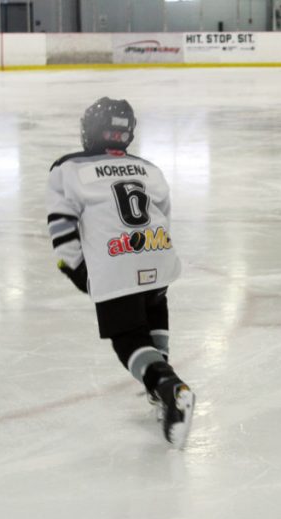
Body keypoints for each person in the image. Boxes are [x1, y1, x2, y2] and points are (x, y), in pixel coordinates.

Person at [46, 97, 195, 449]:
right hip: (159, 256)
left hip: (116, 264)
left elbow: (62, 227)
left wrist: (75, 269)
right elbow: (165, 216)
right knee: (151, 311)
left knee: (127, 339)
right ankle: (159, 388)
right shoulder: (149, 167)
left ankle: (169, 387)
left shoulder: (67, 167)